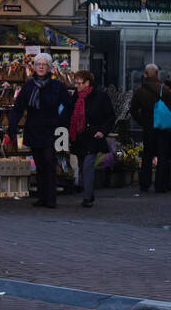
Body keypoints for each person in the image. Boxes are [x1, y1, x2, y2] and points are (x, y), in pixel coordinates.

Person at [7, 54, 74, 209]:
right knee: (39, 163)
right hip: (34, 127)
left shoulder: (58, 86)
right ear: (34, 67)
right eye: (38, 64)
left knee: (49, 161)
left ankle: (51, 199)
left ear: (50, 67)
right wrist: (12, 126)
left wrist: (61, 122)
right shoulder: (29, 86)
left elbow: (68, 107)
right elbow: (18, 108)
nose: (41, 67)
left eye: (44, 64)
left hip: (51, 128)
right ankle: (42, 197)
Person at [129, 64, 171, 194]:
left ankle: (145, 183)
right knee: (162, 156)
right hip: (162, 127)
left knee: (147, 155)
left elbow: (133, 110)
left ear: (145, 74)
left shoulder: (140, 91)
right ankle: (160, 185)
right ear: (157, 74)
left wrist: (143, 121)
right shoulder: (164, 89)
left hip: (148, 127)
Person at [69, 69, 114, 208]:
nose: (76, 86)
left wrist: (102, 131)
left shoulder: (100, 96)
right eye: (75, 83)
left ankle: (87, 198)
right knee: (83, 166)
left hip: (94, 136)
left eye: (79, 83)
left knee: (88, 165)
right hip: (79, 137)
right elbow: (70, 114)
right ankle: (89, 193)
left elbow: (110, 116)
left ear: (88, 83)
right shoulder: (76, 96)